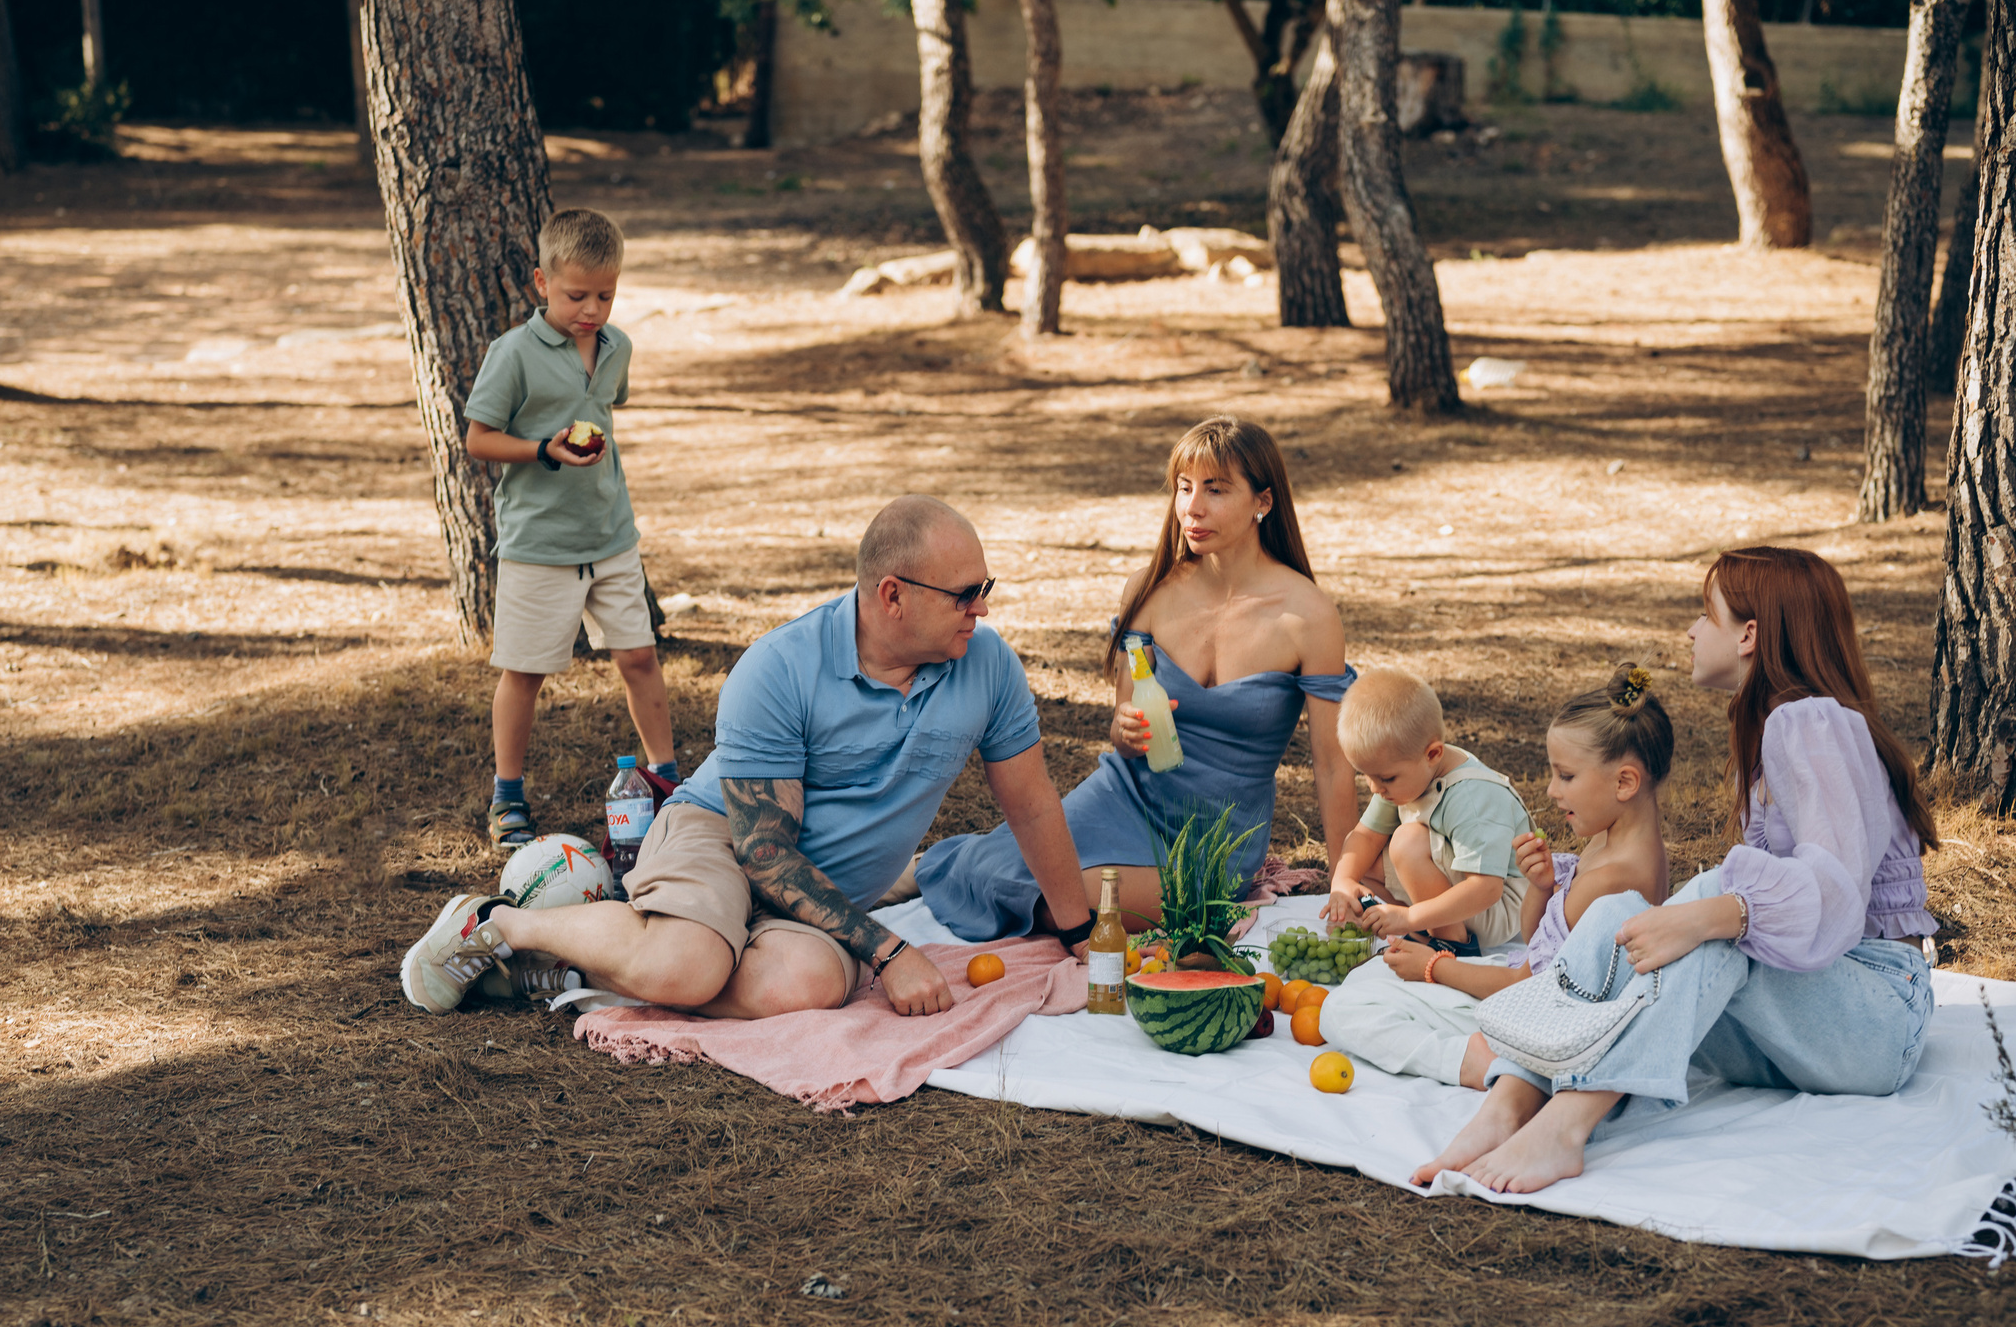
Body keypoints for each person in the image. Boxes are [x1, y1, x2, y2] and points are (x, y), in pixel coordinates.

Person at [400, 496, 1093, 1019]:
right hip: (723, 837)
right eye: (966, 595)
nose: (982, 610)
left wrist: (1081, 932)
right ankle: (496, 922)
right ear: (893, 597)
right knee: (690, 965)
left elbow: (1031, 804)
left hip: (820, 899)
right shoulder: (782, 667)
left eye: (985, 590)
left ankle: (557, 972)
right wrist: (890, 950)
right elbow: (764, 854)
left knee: (806, 987)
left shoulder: (988, 667)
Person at [1413, 545, 1940, 1193]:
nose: (1691, 632)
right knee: (1614, 913)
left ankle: (1567, 1127)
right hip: (1799, 1032)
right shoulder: (1777, 727)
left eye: (1705, 614)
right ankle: (1513, 1099)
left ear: (1749, 635)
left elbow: (1833, 898)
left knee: (1718, 902)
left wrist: (1712, 912)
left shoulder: (1812, 722)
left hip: (1876, 1021)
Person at [910, 417, 1356, 938]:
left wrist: (1345, 878)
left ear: (1263, 500)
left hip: (1215, 839)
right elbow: (1124, 731)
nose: (1192, 507)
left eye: (1215, 489)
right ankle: (931, 868)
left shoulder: (1307, 616)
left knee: (1066, 903)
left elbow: (1331, 765)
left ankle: (943, 867)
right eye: (1184, 488)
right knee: (1027, 871)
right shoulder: (1149, 590)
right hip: (1122, 796)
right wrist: (1126, 730)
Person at [1316, 665, 1672, 1087]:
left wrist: (1434, 966)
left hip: (1542, 1019)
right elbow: (1543, 942)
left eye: (1567, 776)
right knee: (1363, 984)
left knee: (1344, 1010)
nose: (1551, 791)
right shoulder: (1611, 845)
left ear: (1625, 782)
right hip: (1539, 998)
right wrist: (1543, 889)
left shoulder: (1613, 875)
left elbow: (1530, 986)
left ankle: (1474, 1062)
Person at [462, 206, 677, 850]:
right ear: (541, 284)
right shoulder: (514, 354)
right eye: (576, 294)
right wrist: (544, 450)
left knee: (639, 655)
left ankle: (667, 781)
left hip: (611, 535)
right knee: (525, 671)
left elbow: (604, 412)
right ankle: (507, 797)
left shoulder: (617, 347)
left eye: (605, 295)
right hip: (540, 544)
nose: (592, 309)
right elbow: (477, 439)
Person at [1325, 668, 1534, 956]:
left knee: (1407, 842)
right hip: (1461, 886)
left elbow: (1486, 888)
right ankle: (1418, 932)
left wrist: (1409, 916)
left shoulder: (1473, 797)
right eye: (1366, 776)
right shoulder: (1407, 771)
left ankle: (1452, 943)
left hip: (1495, 906)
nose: (1375, 788)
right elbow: (1365, 836)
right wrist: (1342, 880)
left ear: (1433, 754)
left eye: (1385, 778)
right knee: (1363, 867)